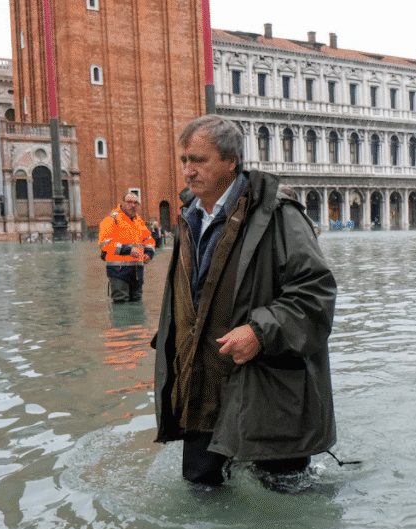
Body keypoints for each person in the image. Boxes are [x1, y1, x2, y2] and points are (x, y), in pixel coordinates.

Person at [150, 114, 337, 490]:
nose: (188, 171)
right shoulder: (189, 218)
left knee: (285, 507)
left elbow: (316, 293)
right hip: (200, 389)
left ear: (231, 161)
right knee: (201, 497)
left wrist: (259, 331)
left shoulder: (280, 217)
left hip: (267, 392)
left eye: (199, 160)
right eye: (184, 160)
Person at [98, 192, 155, 303]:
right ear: (122, 203)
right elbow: (105, 244)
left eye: (136, 203)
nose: (133, 205)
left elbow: (149, 240)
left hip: (137, 271)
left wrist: (149, 253)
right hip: (118, 271)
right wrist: (128, 250)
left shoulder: (139, 222)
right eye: (129, 202)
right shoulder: (111, 220)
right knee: (121, 303)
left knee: (137, 302)